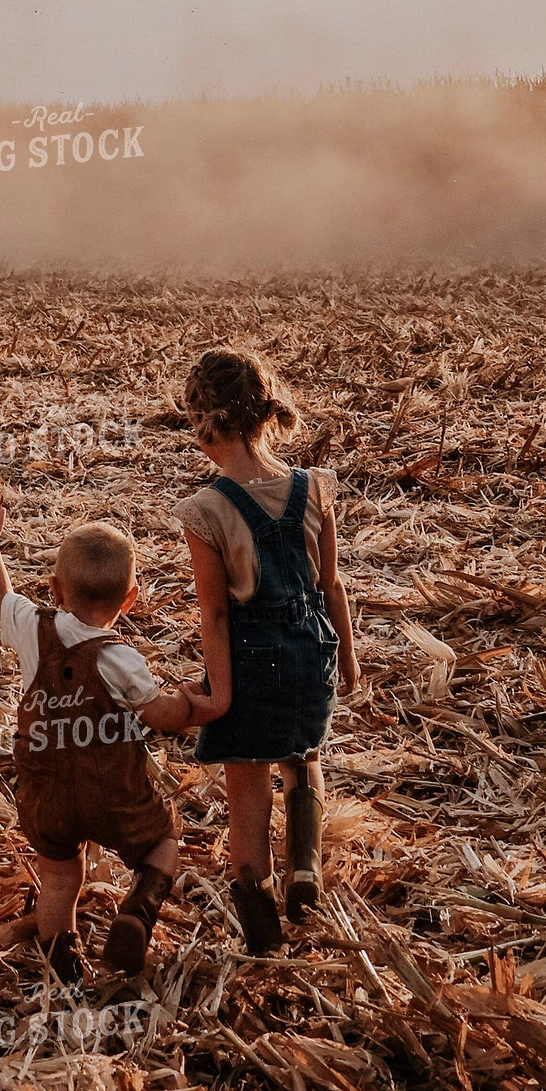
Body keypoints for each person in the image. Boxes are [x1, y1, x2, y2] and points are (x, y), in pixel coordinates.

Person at [175, 349, 359, 954]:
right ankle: (305, 869)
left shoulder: (206, 510)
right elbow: (330, 585)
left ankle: (261, 930)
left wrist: (220, 694)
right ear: (262, 414)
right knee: (304, 755)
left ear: (203, 423)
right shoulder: (315, 488)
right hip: (313, 649)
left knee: (247, 789)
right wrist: (349, 658)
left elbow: (216, 612)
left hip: (252, 661)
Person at [0, 502, 196, 984]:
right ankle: (137, 912)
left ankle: (64, 969)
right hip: (113, 793)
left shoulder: (34, 629)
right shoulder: (120, 659)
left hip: (45, 794)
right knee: (163, 844)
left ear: (54, 590)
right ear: (131, 599)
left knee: (58, 877)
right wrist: (197, 702)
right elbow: (163, 716)